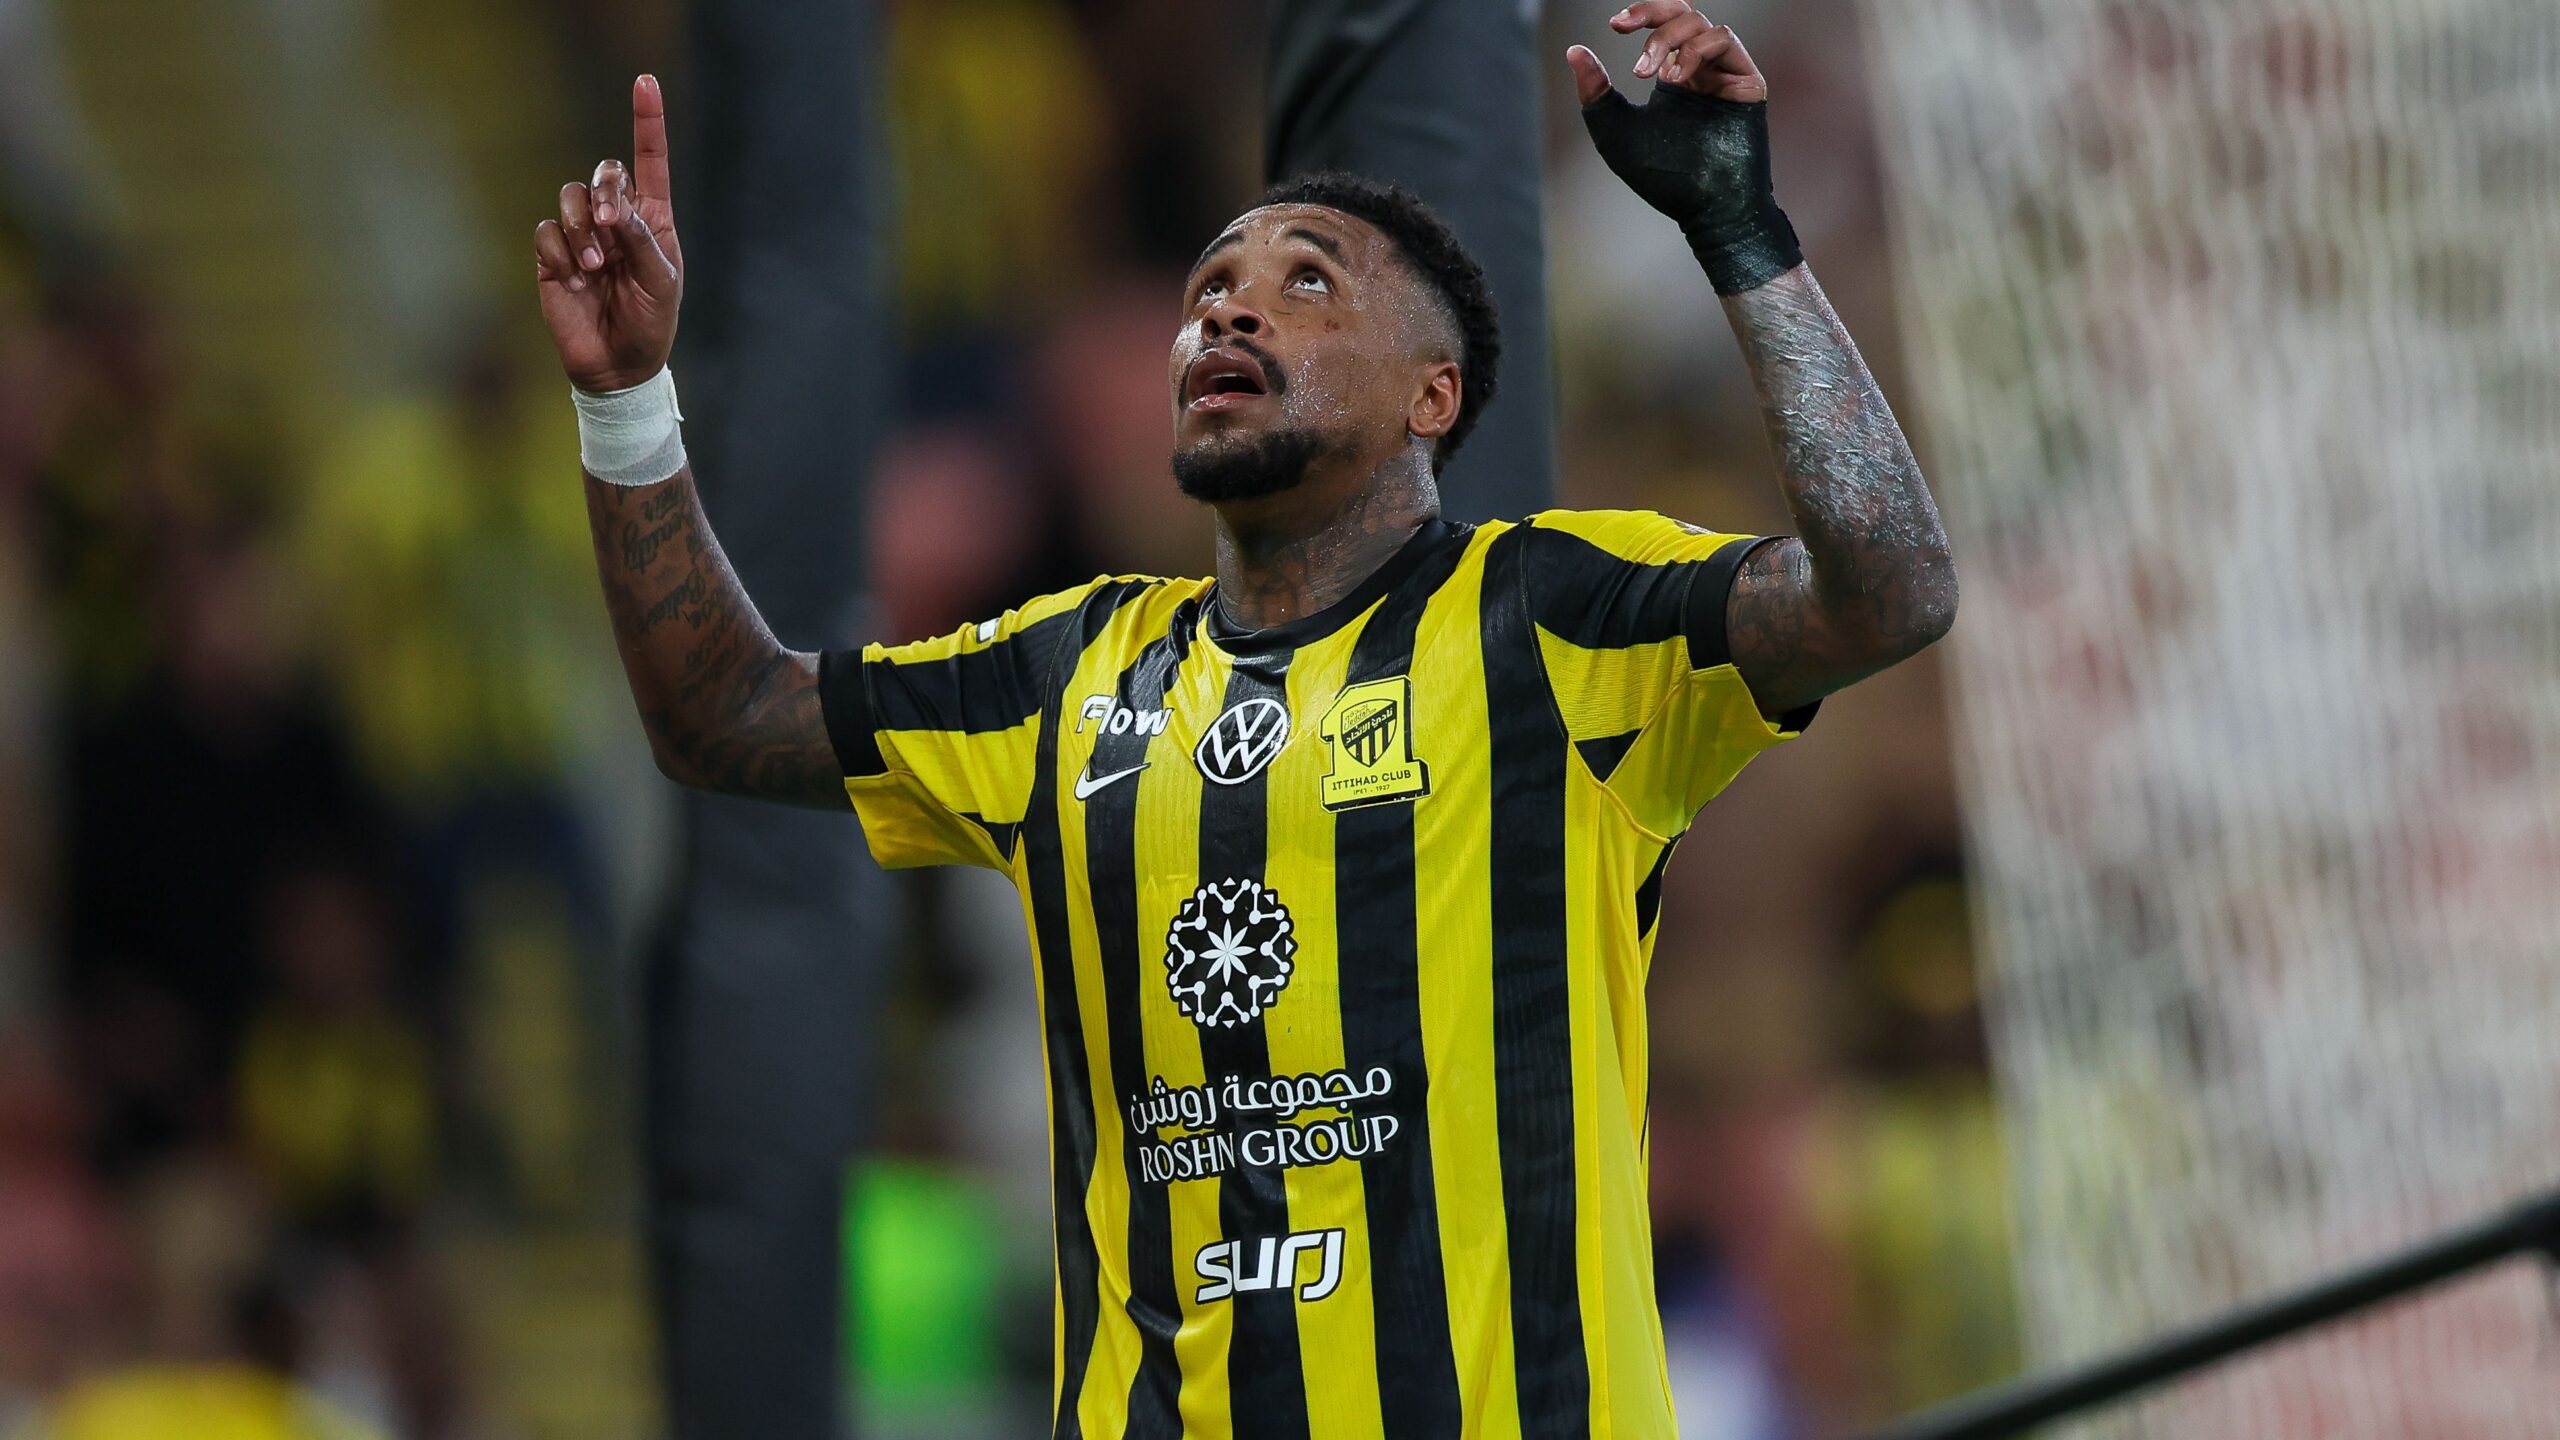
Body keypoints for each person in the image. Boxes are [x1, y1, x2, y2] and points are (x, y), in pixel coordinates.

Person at [534, 4, 1956, 1434]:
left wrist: (1740, 232)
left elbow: (1890, 592)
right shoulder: (1064, 671)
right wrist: (627, 401)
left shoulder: (1551, 614)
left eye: (1306, 280)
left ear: (1434, 393)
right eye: (1208, 285)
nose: (1226, 308)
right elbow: (723, 715)